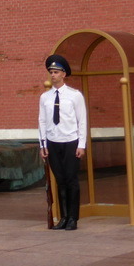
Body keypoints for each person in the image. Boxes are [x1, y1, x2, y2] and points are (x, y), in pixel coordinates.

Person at [39, 54, 87, 230]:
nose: (53, 75)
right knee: (60, 180)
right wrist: (43, 145)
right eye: (51, 72)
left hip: (71, 141)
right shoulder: (45, 97)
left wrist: (81, 144)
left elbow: (82, 120)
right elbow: (42, 121)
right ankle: (64, 217)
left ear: (64, 74)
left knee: (71, 179)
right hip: (53, 142)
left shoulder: (75, 95)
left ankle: (73, 218)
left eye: (56, 72)